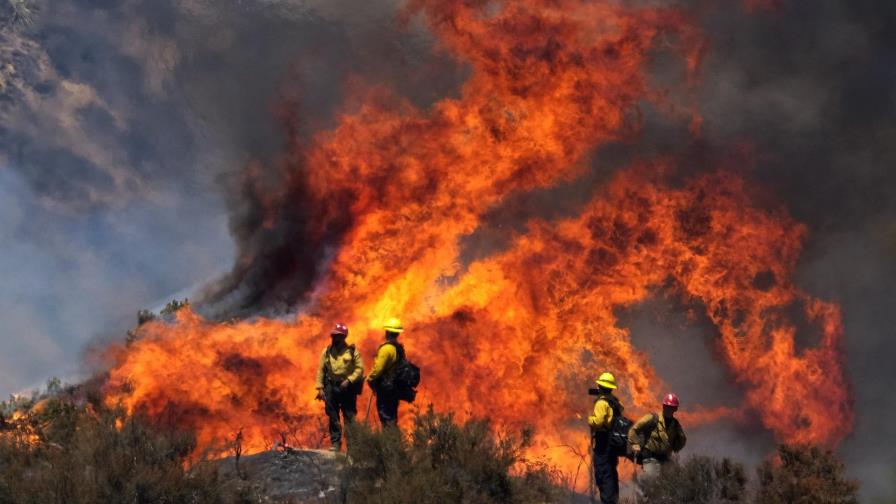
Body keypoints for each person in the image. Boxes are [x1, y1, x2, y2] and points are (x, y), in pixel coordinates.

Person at [315, 323, 364, 451]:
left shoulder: (352, 352)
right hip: (331, 387)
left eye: (338, 336)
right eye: (333, 335)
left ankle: (353, 447)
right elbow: (321, 370)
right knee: (333, 416)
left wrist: (349, 380)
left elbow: (360, 369)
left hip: (347, 389)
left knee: (349, 417)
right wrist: (320, 388)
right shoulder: (326, 352)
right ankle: (336, 444)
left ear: (344, 337)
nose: (335, 338)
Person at [628, 393, 687, 478]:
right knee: (652, 479)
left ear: (675, 409)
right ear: (663, 406)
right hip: (650, 455)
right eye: (667, 407)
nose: (669, 410)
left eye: (672, 408)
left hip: (664, 457)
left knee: (674, 478)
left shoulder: (675, 424)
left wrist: (677, 445)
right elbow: (634, 429)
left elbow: (681, 440)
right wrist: (635, 444)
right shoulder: (652, 418)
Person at [588, 372, 622, 504]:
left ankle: (608, 501)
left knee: (603, 473)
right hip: (613, 442)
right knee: (611, 473)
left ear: (600, 386)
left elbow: (598, 421)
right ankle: (613, 500)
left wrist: (590, 419)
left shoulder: (602, 403)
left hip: (603, 442)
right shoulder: (615, 402)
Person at [366, 318, 406, 427]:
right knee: (392, 417)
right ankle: (394, 442)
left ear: (387, 332)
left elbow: (378, 368)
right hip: (394, 388)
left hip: (386, 388)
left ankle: (390, 441)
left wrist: (370, 379)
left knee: (386, 418)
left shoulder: (386, 349)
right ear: (397, 333)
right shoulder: (399, 349)